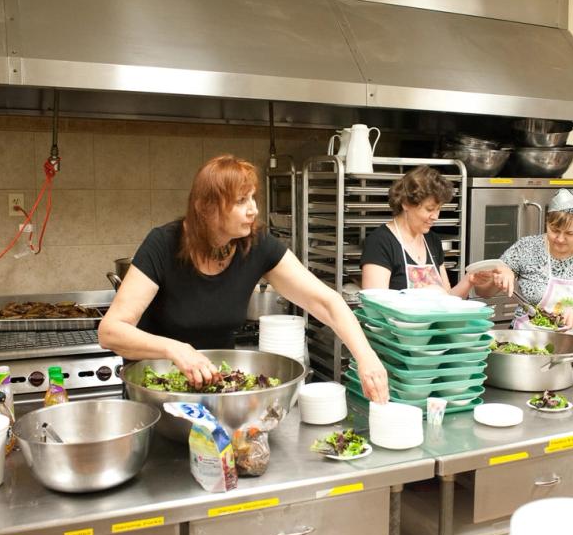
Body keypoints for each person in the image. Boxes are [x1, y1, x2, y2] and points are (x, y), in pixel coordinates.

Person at [99, 154, 389, 403]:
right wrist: (174, 349)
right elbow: (111, 331)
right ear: (205, 207)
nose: (254, 209)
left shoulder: (255, 244)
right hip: (158, 394)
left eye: (252, 198)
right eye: (240, 201)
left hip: (218, 393)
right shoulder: (164, 243)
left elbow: (325, 302)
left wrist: (367, 358)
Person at [475, 188, 573, 329]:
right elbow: (482, 292)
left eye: (569, 233)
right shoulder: (526, 248)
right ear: (547, 222)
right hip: (525, 343)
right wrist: (498, 277)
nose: (560, 239)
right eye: (554, 230)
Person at [361, 166, 481, 296]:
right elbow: (375, 303)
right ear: (406, 203)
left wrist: (469, 280)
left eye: (438, 209)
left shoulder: (432, 241)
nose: (435, 216)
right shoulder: (380, 241)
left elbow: (447, 298)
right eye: (429, 209)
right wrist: (422, 295)